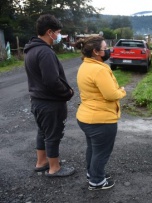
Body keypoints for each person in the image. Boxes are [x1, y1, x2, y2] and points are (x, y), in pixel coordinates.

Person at [23, 14, 75, 177]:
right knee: (53, 134)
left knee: (43, 132)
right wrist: (67, 92)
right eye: (58, 32)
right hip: (50, 103)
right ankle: (54, 168)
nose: (59, 36)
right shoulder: (45, 52)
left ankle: (42, 162)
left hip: (38, 101)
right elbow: (52, 81)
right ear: (49, 32)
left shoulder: (31, 49)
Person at [75, 36, 126, 191]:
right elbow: (110, 94)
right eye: (105, 48)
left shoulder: (85, 65)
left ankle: (93, 174)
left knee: (93, 149)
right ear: (96, 52)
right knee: (102, 152)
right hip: (101, 120)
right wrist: (122, 91)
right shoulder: (99, 69)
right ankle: (97, 181)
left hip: (86, 117)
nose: (108, 51)